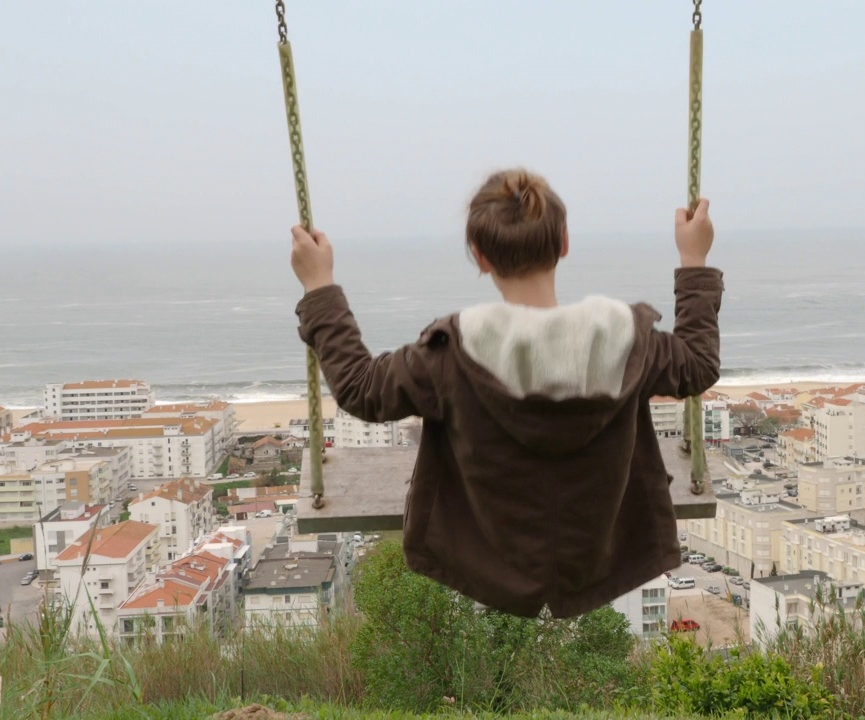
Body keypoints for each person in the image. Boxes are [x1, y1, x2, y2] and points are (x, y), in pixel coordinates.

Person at [290, 168, 722, 618]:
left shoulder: (449, 356)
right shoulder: (628, 342)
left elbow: (360, 388)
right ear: (564, 243)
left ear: (479, 257)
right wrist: (694, 259)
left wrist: (320, 285)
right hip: (604, 556)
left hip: (484, 559)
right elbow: (698, 363)